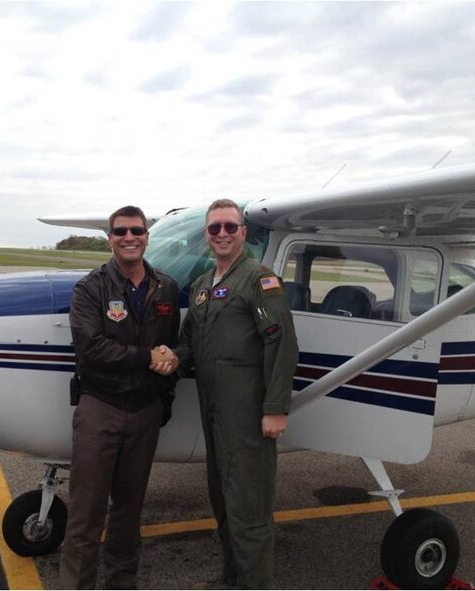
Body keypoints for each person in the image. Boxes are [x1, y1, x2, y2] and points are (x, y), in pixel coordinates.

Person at [175, 199, 299, 589]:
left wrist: (275, 408)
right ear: (207, 236)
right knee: (224, 503)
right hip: (213, 412)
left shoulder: (260, 281)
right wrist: (168, 357)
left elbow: (282, 345)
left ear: (243, 233)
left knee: (249, 509)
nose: (223, 234)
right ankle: (233, 578)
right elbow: (189, 345)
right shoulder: (201, 287)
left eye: (231, 227)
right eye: (215, 229)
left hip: (247, 413)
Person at [59, 205, 180, 589]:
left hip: (145, 412)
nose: (130, 238)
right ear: (109, 238)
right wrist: (147, 357)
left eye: (137, 231)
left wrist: (165, 396)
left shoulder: (167, 287)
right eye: (121, 231)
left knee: (128, 516)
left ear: (147, 236)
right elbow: (91, 348)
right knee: (85, 517)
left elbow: (172, 346)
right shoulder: (90, 288)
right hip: (102, 408)